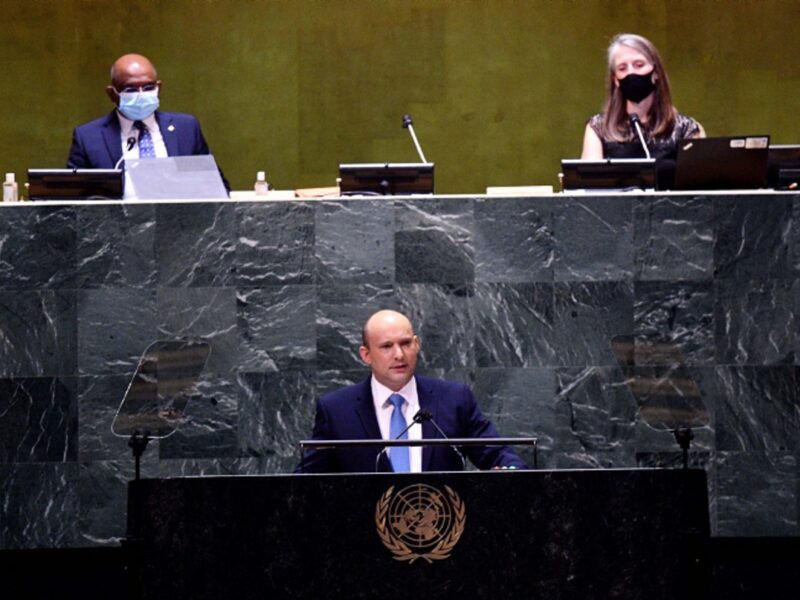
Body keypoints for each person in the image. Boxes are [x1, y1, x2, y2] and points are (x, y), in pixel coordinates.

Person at [296, 309, 527, 473]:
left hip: (443, 533)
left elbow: (498, 454)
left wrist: (511, 471)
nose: (399, 354)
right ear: (366, 355)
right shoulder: (337, 410)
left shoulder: (453, 399)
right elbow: (306, 481)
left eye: (406, 343)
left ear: (416, 344)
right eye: (387, 346)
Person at [66, 53, 229, 191]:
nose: (141, 94)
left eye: (149, 87)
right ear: (112, 94)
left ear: (159, 88)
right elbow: (73, 199)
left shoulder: (185, 129)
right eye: (130, 89)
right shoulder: (88, 137)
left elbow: (216, 186)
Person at [581, 33, 705, 168]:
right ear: (615, 79)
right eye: (622, 68)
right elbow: (590, 184)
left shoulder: (686, 129)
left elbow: (699, 184)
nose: (630, 73)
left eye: (639, 65)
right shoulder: (599, 128)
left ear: (655, 73)